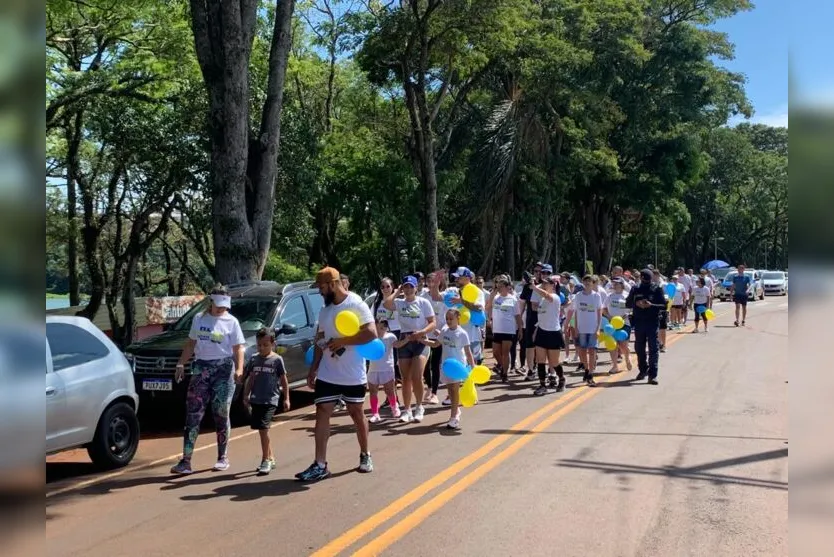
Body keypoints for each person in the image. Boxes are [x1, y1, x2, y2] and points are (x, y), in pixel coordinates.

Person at [296, 267, 376, 482]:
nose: (320, 292)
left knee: (356, 413)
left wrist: (343, 341)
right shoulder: (325, 310)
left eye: (321, 287)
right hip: (328, 373)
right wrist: (313, 368)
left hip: (352, 373)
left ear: (332, 284)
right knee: (322, 411)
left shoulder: (356, 304)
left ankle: (365, 454)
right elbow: (320, 339)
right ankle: (320, 464)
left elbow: (371, 332)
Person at [171, 285, 246, 475]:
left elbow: (238, 348)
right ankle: (186, 461)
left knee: (221, 412)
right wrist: (181, 364)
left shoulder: (232, 322)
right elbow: (191, 344)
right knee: (193, 414)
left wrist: (239, 369)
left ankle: (222, 457)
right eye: (218, 304)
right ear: (210, 302)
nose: (221, 308)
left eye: (224, 305)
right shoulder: (199, 319)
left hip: (223, 370)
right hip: (201, 368)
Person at [383, 275, 436, 423]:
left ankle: (419, 406)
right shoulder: (399, 303)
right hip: (405, 340)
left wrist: (422, 332)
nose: (408, 289)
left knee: (416, 376)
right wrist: (396, 291)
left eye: (410, 287)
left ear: (416, 287)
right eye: (405, 286)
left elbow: (433, 322)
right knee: (405, 378)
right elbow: (387, 304)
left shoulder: (423, 302)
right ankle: (407, 410)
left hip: (420, 340)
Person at [242, 327, 290, 475]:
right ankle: (271, 457)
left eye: (265, 345)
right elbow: (250, 378)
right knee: (262, 430)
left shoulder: (276, 360)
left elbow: (284, 380)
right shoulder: (254, 359)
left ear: (273, 344)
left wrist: (287, 398)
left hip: (270, 399)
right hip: (257, 399)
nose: (262, 348)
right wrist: (246, 395)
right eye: (259, 345)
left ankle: (265, 460)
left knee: (264, 429)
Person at [425, 308, 474, 429]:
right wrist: (423, 341)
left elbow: (468, 352)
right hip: (446, 365)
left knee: (454, 389)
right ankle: (456, 410)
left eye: (451, 319)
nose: (448, 321)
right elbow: (436, 344)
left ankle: (453, 418)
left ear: (458, 318)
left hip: (457, 366)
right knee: (450, 390)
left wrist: (473, 366)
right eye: (447, 319)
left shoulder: (462, 333)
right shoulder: (445, 330)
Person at [625, 269, 667, 385]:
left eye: (647, 279)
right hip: (639, 322)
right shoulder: (636, 288)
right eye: (644, 278)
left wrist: (651, 305)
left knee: (653, 348)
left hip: (652, 322)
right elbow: (627, 303)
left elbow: (664, 305)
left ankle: (653, 375)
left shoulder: (657, 289)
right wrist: (636, 304)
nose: (645, 281)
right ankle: (643, 370)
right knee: (639, 348)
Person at [530, 275, 566, 395]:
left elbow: (547, 295)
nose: (544, 285)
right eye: (543, 283)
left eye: (547, 283)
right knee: (540, 360)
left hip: (553, 333)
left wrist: (534, 287)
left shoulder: (555, 297)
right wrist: (536, 330)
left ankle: (561, 379)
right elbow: (541, 317)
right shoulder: (542, 300)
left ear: (553, 285)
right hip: (542, 331)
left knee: (554, 361)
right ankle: (542, 385)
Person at [566, 275, 602, 386]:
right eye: (585, 281)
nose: (587, 283)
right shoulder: (578, 296)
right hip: (581, 328)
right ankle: (586, 369)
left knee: (592, 352)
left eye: (589, 281)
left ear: (593, 283)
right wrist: (575, 327)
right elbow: (576, 312)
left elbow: (599, 313)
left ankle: (591, 373)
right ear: (583, 283)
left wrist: (598, 329)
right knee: (582, 351)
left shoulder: (596, 296)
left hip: (592, 328)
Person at [486, 275, 523, 383]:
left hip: (508, 329)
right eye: (499, 286)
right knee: (495, 352)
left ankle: (505, 373)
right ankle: (502, 366)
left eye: (502, 286)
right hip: (497, 329)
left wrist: (520, 329)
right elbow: (487, 307)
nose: (500, 288)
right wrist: (493, 293)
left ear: (507, 287)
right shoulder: (496, 298)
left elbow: (517, 315)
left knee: (505, 352)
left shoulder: (513, 299)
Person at [367, 319, 400, 422]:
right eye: (379, 327)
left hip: (387, 368)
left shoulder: (390, 337)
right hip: (373, 369)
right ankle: (375, 414)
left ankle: (395, 408)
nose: (381, 329)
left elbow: (397, 345)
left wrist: (407, 339)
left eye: (383, 327)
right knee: (373, 392)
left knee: (389, 391)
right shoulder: (370, 338)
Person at [604, 278, 632, 374]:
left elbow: (630, 309)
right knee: (613, 345)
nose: (616, 285)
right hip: (612, 324)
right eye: (614, 284)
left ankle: (627, 359)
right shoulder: (609, 296)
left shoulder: (626, 296)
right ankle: (615, 366)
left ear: (622, 285)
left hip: (624, 323)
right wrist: (609, 317)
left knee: (623, 345)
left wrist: (623, 317)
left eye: (618, 283)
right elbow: (604, 308)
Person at [652, 270, 669, 352]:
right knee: (655, 328)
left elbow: (668, 296)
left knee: (662, 328)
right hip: (653, 309)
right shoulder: (650, 285)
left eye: (655, 275)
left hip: (662, 309)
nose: (653, 277)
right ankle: (658, 343)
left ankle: (664, 345)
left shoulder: (664, 285)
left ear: (658, 275)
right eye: (652, 275)